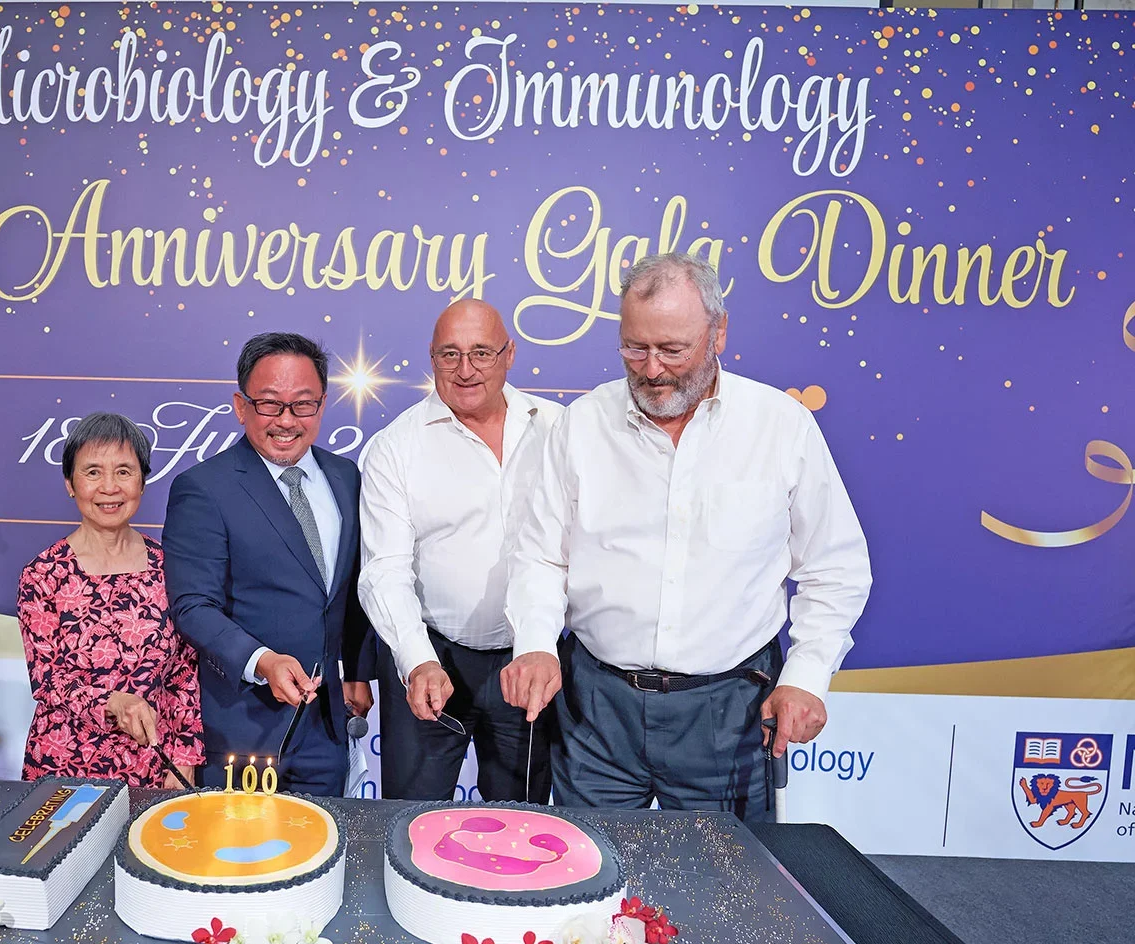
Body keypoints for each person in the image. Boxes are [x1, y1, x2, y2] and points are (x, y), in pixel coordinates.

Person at [501, 252, 872, 821]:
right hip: (597, 711)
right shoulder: (583, 423)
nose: (652, 370)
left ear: (718, 333)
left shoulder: (780, 426)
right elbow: (540, 556)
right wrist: (534, 643)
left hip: (731, 712)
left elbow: (834, 567)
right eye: (634, 348)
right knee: (594, 867)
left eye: (672, 350)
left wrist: (806, 677)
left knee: (726, 876)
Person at [358, 299, 564, 802]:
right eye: (449, 355)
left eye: (481, 353)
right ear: (431, 359)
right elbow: (384, 571)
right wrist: (417, 661)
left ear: (509, 354)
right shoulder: (395, 446)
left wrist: (540, 644)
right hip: (432, 657)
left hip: (529, 661)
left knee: (522, 822)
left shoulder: (558, 429)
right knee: (409, 818)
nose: (465, 370)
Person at [162, 332, 374, 797]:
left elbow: (353, 588)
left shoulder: (346, 477)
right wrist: (263, 662)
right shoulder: (204, 488)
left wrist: (358, 672)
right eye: (270, 404)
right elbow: (193, 606)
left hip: (328, 727)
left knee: (325, 838)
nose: (286, 420)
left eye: (302, 404)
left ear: (322, 405)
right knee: (242, 845)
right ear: (241, 407)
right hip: (244, 727)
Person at [16, 413, 203, 787]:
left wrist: (184, 755)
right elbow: (49, 680)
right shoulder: (43, 574)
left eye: (123, 471)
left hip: (155, 763)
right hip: (66, 764)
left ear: (142, 481)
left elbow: (185, 673)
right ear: (70, 484)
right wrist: (111, 702)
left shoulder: (170, 567)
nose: (109, 487)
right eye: (92, 472)